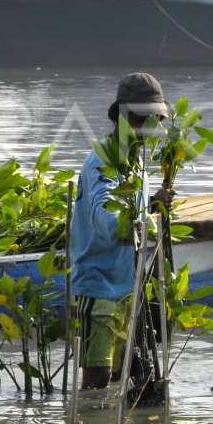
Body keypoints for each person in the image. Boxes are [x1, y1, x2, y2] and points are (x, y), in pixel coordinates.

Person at [70, 72, 175, 389]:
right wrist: (129, 226)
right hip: (98, 286)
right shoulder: (103, 160)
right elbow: (104, 215)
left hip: (126, 286)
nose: (150, 128)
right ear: (124, 117)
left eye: (156, 119)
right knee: (97, 378)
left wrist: (155, 206)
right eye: (144, 118)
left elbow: (137, 216)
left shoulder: (135, 162)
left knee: (121, 374)